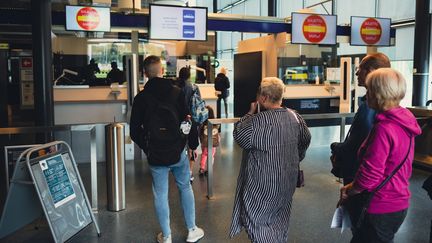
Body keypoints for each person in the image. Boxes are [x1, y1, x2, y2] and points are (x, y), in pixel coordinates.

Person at [339, 68, 421, 243]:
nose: (365, 94)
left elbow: (370, 175)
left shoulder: (384, 129)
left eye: (368, 89)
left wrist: (351, 189)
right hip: (399, 202)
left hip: (379, 205)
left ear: (378, 93)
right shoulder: (405, 120)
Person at [129, 56, 204, 243]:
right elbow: (189, 120)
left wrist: (148, 147)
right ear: (161, 70)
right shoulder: (177, 92)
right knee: (185, 187)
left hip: (156, 154)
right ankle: (192, 230)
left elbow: (133, 131)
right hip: (177, 150)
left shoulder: (141, 98)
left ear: (145, 74)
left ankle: (167, 236)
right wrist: (192, 145)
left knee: (160, 194)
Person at [229, 77, 311, 242]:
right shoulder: (295, 117)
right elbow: (305, 140)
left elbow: (239, 136)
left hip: (262, 184)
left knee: (257, 221)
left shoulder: (256, 122)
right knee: (281, 218)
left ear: (263, 98)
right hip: (286, 182)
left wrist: (249, 113)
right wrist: (294, 159)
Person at [330, 53, 391, 185]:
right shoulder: (390, 105)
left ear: (370, 72)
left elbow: (357, 145)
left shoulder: (369, 107)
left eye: (360, 68)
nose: (357, 73)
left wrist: (336, 148)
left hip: (359, 176)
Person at [173, 67, 200, 182]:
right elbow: (199, 103)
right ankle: (189, 171)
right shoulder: (194, 87)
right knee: (192, 146)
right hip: (190, 120)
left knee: (179, 145)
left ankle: (178, 170)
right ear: (189, 76)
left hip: (177, 119)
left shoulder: (174, 87)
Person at [198, 106, 220, 176]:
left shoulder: (203, 123)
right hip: (213, 142)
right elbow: (217, 133)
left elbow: (200, 133)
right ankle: (209, 169)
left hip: (204, 142)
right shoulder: (215, 123)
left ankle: (202, 168)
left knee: (204, 154)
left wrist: (201, 140)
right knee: (211, 155)